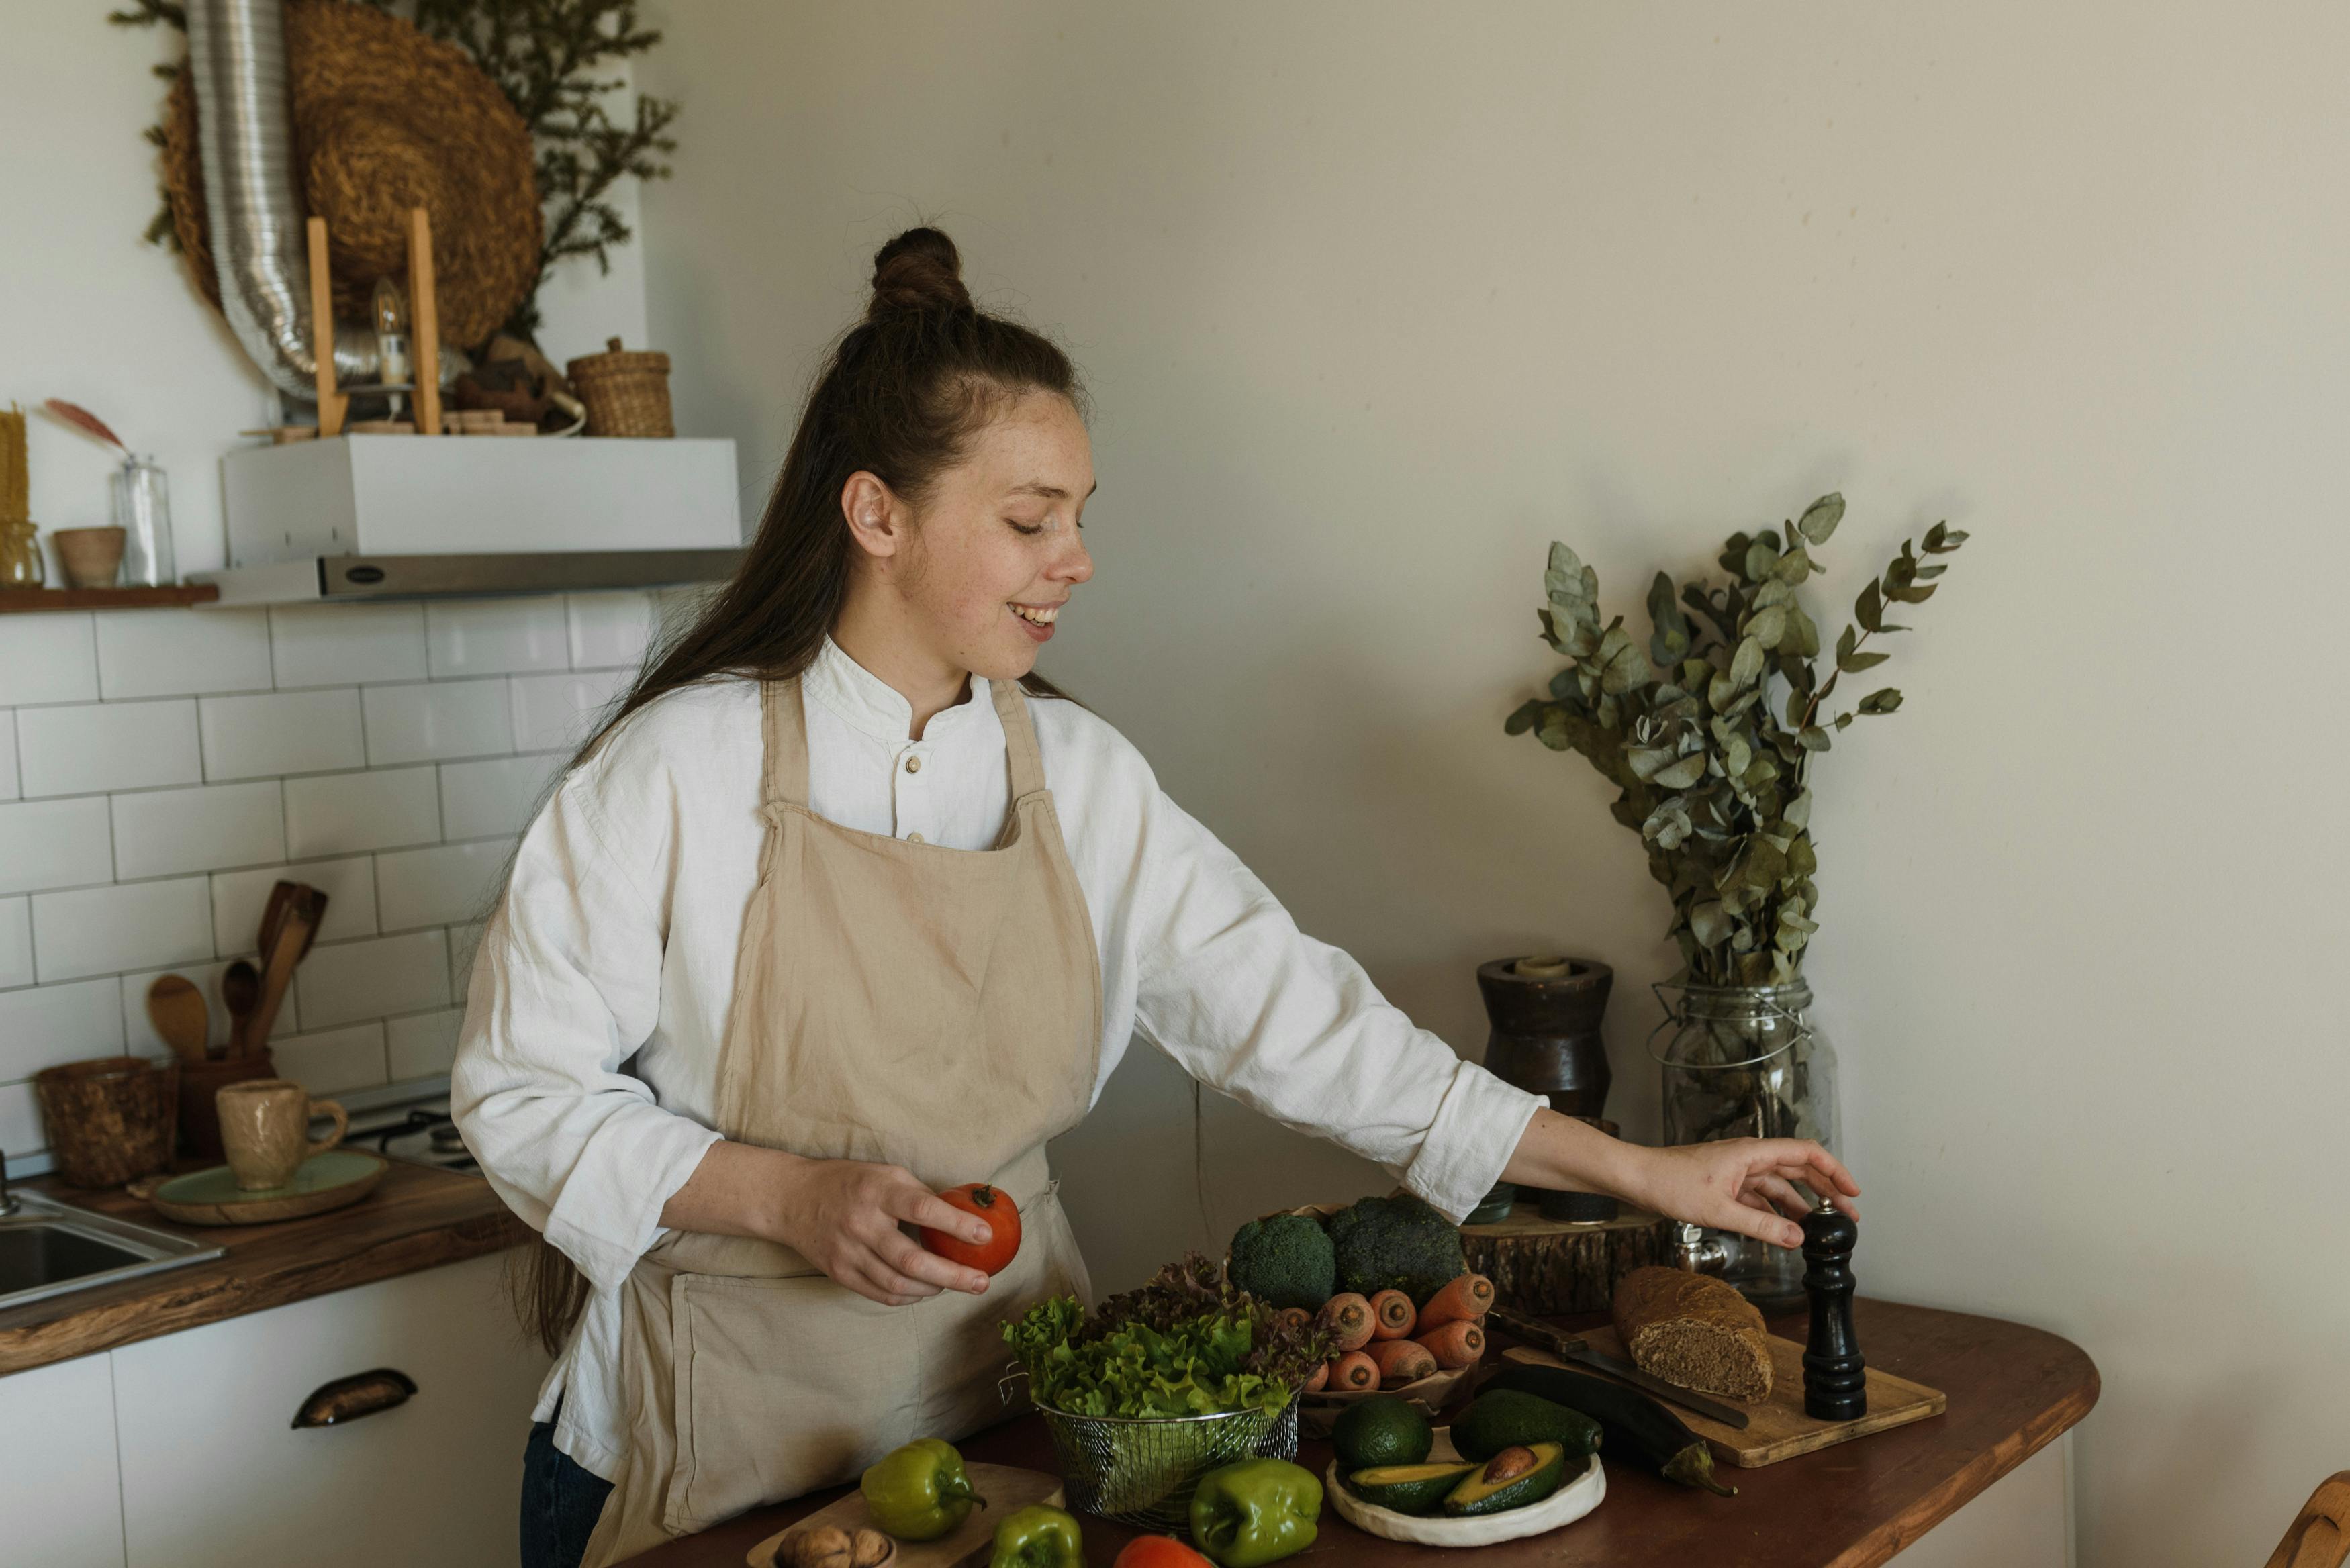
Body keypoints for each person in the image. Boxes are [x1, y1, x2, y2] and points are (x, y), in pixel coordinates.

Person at [452, 226, 1859, 1568]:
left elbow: (1310, 1029)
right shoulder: (673, 771)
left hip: (1012, 1433)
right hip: (707, 1451)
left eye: (1077, 516)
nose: (1076, 558)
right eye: (1028, 519)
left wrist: (1640, 1170)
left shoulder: (1078, 777)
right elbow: (517, 1094)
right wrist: (789, 1194)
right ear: (875, 512)